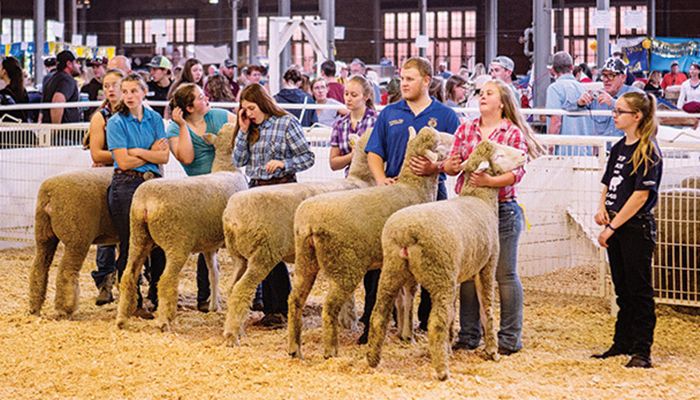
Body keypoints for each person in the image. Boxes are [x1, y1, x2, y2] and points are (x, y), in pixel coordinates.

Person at [364, 56, 461, 339]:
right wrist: (381, 179)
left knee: (433, 258)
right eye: (402, 79)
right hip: (393, 195)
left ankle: (430, 323)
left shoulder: (446, 116)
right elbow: (374, 151)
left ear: (426, 80)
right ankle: (377, 322)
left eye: (410, 79)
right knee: (382, 257)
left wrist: (436, 167)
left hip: (432, 195)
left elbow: (456, 159)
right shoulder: (389, 113)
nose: (403, 84)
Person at [447, 79, 545, 355]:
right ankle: (469, 335)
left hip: (502, 209)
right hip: (470, 210)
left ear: (502, 102)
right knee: (468, 272)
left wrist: (489, 181)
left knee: (505, 274)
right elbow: (454, 163)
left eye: (489, 93)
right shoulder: (466, 128)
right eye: (481, 93)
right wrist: (452, 166)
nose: (482, 96)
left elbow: (517, 171)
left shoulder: (511, 133)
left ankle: (509, 338)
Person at [233, 83, 315, 328]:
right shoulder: (249, 128)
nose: (249, 113)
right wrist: (243, 130)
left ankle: (279, 308)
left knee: (273, 249)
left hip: (281, 190)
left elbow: (307, 157)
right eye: (245, 110)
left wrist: (283, 163)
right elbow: (238, 160)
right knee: (262, 249)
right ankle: (273, 309)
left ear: (263, 103)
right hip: (257, 192)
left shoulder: (286, 123)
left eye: (252, 108)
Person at [592, 91, 662, 369]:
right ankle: (622, 341)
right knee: (622, 289)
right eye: (615, 110)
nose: (615, 115)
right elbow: (608, 183)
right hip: (615, 225)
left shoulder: (648, 150)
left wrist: (611, 227)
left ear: (637, 116)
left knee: (639, 290)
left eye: (620, 111)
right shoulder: (620, 146)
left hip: (634, 228)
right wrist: (601, 208)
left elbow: (640, 196)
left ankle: (642, 350)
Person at [166, 83, 236, 312]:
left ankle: (251, 296)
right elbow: (186, 157)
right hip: (199, 192)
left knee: (240, 242)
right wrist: (183, 126)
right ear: (188, 106)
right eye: (200, 97)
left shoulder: (219, 116)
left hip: (226, 186)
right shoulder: (175, 130)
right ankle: (205, 298)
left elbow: (242, 129)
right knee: (205, 245)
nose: (206, 99)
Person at [106, 73, 169, 317]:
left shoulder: (154, 118)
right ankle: (132, 300)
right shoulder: (116, 122)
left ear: (144, 92)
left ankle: (158, 294)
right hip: (126, 184)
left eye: (134, 91)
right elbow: (121, 161)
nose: (129, 96)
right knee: (131, 243)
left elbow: (164, 156)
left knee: (160, 243)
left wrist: (137, 152)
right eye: (126, 91)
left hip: (153, 184)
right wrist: (149, 153)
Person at [84, 68, 125, 305]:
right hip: (106, 177)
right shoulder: (101, 116)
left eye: (115, 85)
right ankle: (105, 282)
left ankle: (132, 281)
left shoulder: (136, 114)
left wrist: (119, 156)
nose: (110, 89)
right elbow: (96, 152)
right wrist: (126, 155)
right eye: (106, 85)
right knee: (107, 231)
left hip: (127, 173)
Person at [574, 57, 643, 136]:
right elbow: (570, 112)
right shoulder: (597, 96)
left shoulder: (635, 94)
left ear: (623, 77)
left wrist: (614, 103)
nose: (606, 80)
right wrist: (579, 103)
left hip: (627, 146)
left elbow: (645, 112)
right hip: (602, 146)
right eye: (604, 75)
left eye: (611, 75)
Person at [329, 75, 377, 174]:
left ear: (366, 96)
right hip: (350, 179)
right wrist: (352, 156)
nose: (348, 99)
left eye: (354, 95)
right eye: (346, 94)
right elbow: (333, 163)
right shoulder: (339, 125)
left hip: (373, 180)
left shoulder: (376, 122)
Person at [545, 51, 593, 140]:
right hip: (585, 147)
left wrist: (549, 146)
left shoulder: (554, 89)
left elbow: (556, 121)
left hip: (564, 148)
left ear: (553, 70)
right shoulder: (583, 88)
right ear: (572, 67)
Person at [42, 50, 82, 124]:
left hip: (48, 129)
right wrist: (56, 129)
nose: (79, 66)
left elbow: (42, 110)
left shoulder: (51, 79)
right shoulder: (67, 80)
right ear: (69, 64)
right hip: (65, 132)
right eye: (76, 62)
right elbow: (57, 102)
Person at [0, 56, 29, 122]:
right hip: (21, 130)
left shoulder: (4, 95)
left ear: (4, 72)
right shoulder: (22, 91)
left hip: (7, 130)